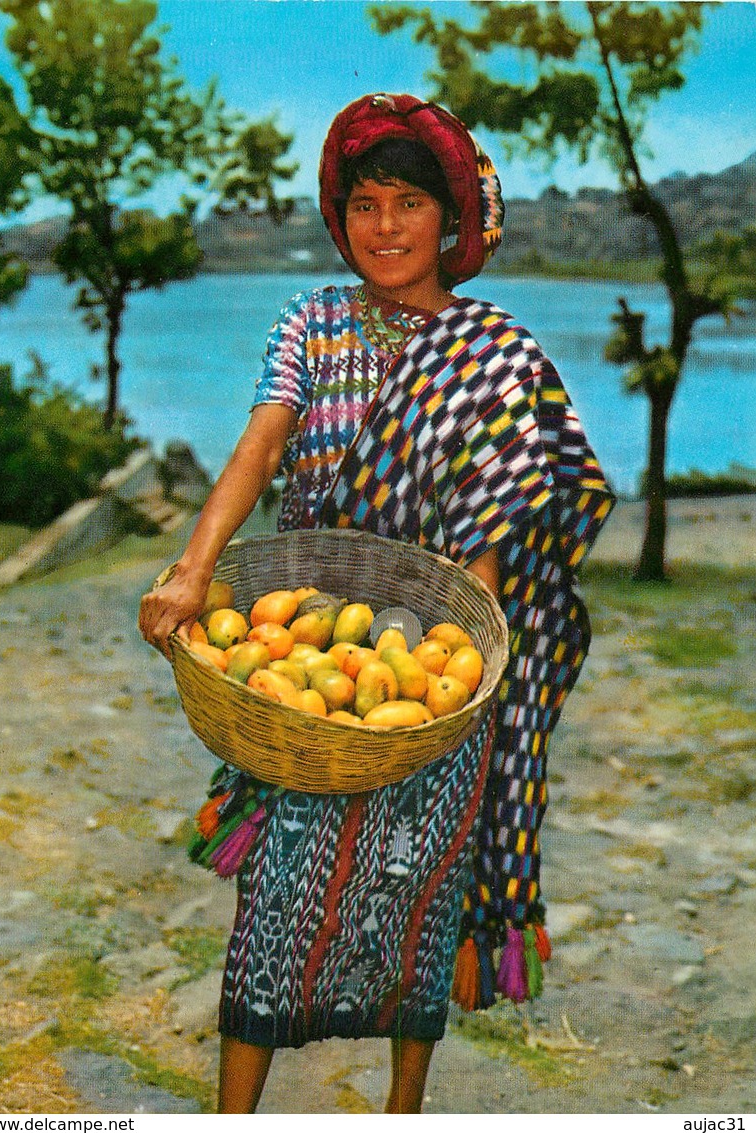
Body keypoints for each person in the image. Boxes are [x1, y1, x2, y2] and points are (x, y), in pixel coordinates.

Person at [139, 93, 615, 1114]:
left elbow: (512, 515)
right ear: (339, 214)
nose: (385, 226)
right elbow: (262, 440)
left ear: (451, 218)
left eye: (408, 201)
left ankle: (402, 1109)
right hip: (304, 665)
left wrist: (462, 652)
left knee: (419, 896)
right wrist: (191, 566)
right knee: (275, 903)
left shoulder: (499, 355)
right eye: (363, 202)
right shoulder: (310, 322)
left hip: (439, 670)